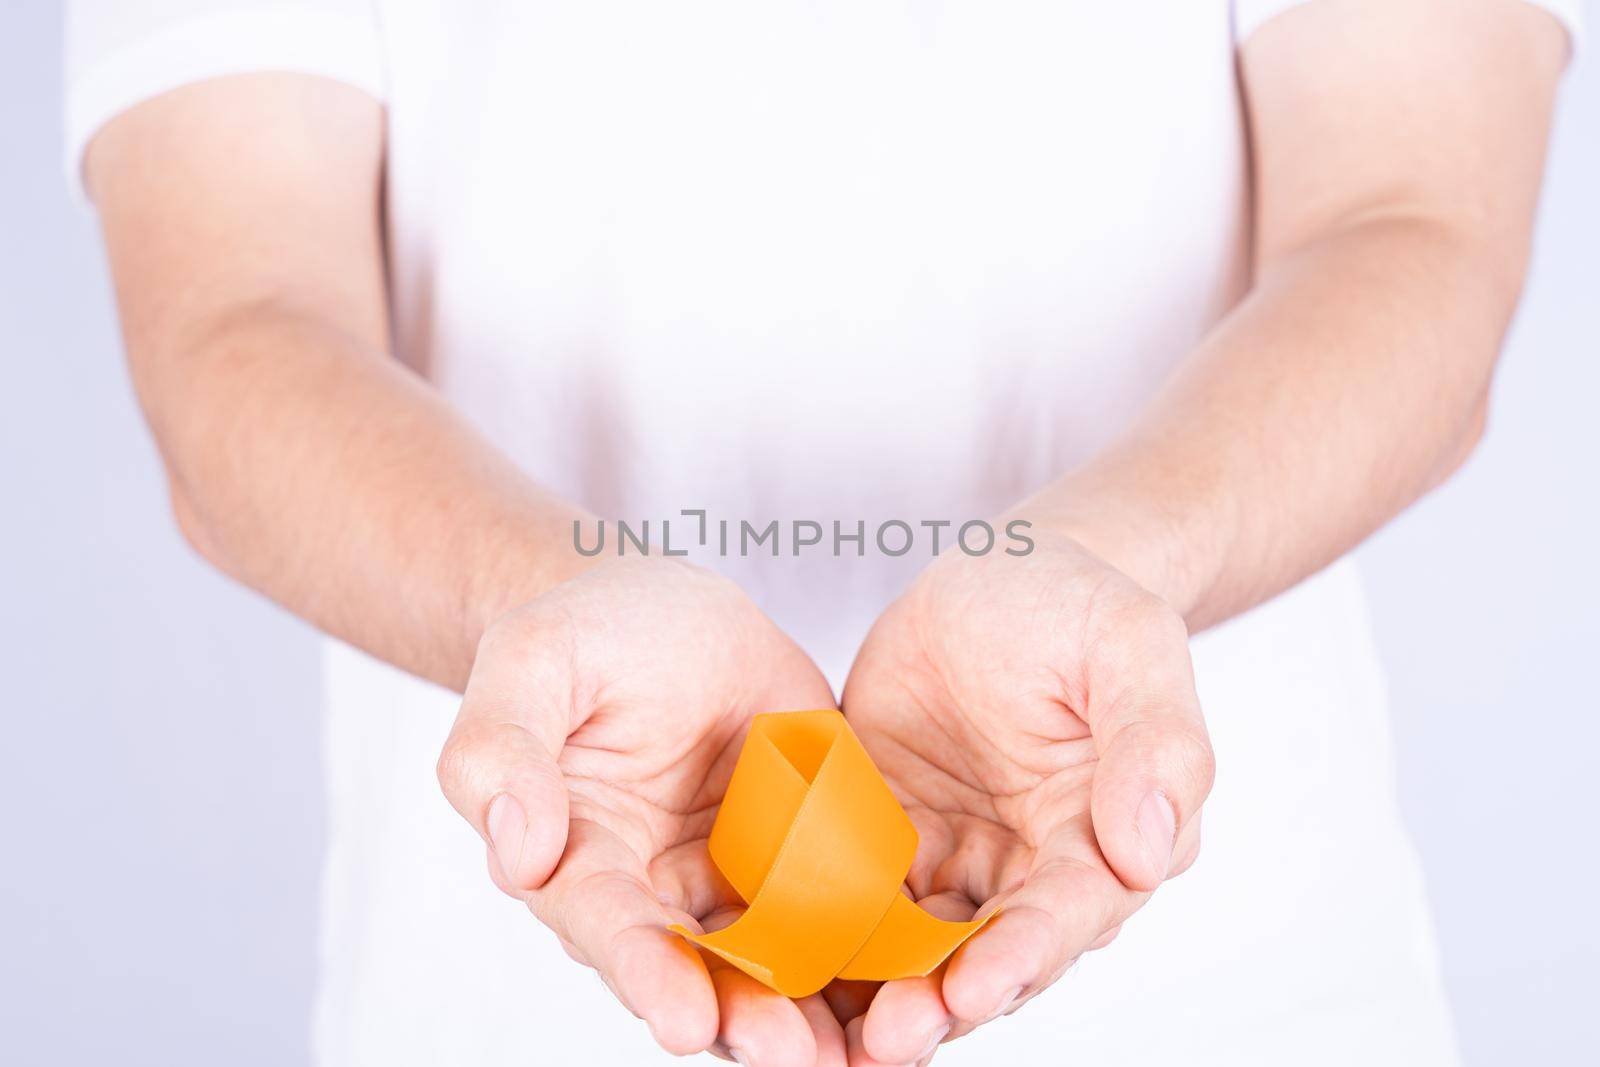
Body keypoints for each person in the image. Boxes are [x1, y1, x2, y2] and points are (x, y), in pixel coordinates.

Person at [67, 1, 1579, 1064]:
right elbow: (236, 319)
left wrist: (1107, 564)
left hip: (1241, 977)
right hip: (538, 958)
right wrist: (548, 596)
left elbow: (1413, 222)